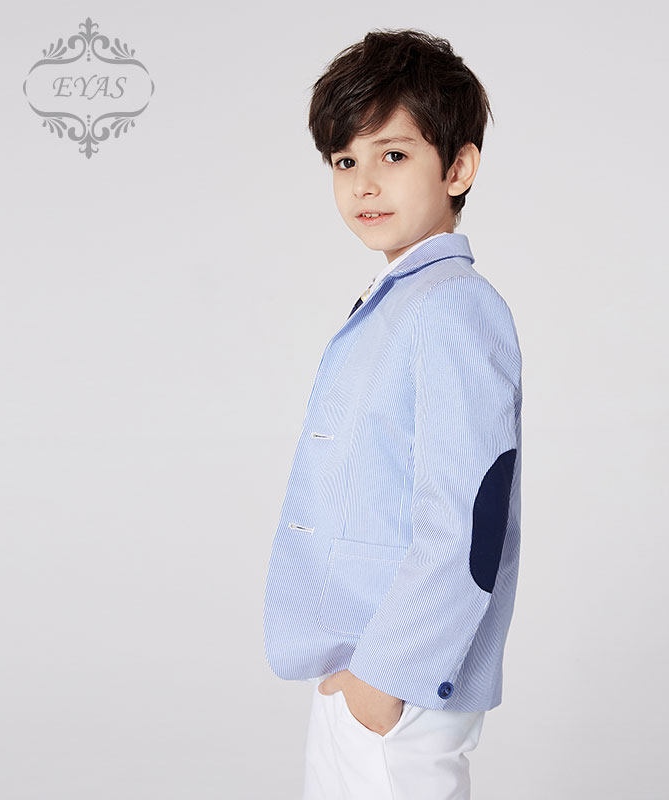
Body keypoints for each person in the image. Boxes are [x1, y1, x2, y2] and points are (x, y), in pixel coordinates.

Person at [262, 28, 523, 799]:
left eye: (394, 154)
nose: (364, 184)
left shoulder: (453, 307)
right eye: (345, 161)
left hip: (398, 686)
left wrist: (385, 678)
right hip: (361, 672)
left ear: (459, 167)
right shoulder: (400, 300)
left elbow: (469, 516)